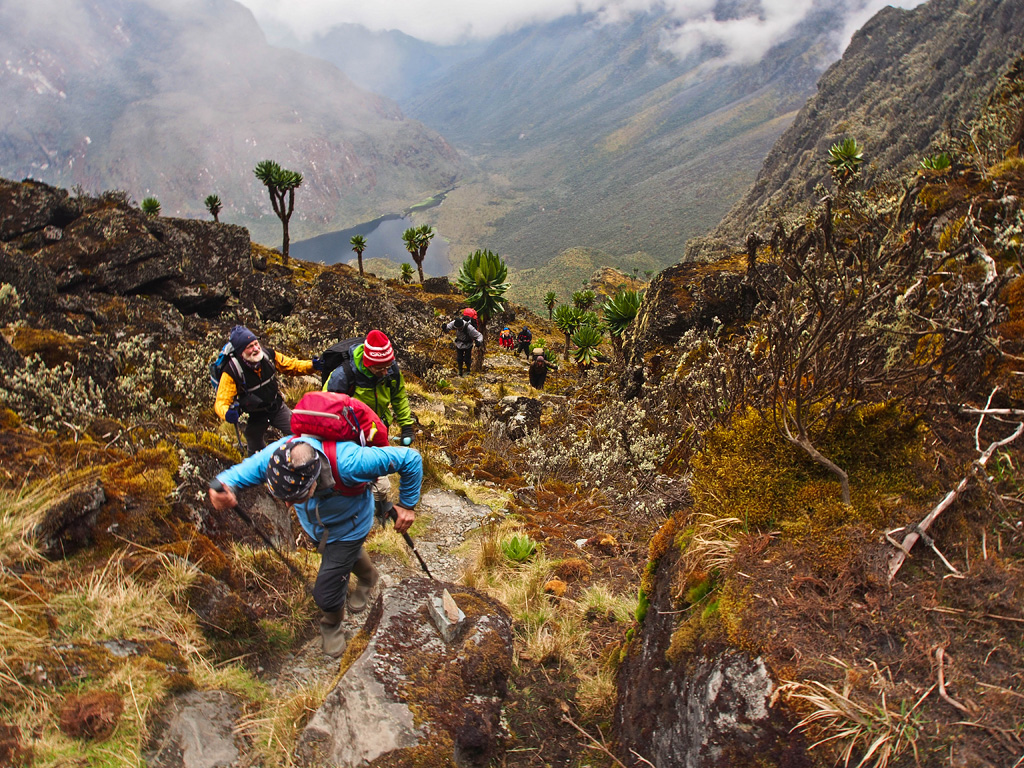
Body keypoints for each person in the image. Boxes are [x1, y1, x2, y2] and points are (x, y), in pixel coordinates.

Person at [208, 436, 421, 657]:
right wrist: (224, 486)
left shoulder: (351, 462)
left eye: (297, 497)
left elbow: (411, 459)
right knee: (341, 559)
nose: (288, 505)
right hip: (319, 528)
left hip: (351, 526)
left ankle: (331, 624)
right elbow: (236, 475)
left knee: (325, 592)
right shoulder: (279, 456)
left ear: (315, 479)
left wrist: (407, 505)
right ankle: (368, 577)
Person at [324, 330, 416, 505]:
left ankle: (374, 509)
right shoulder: (343, 376)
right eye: (380, 368)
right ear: (367, 364)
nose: (385, 372)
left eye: (388, 366)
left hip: (378, 430)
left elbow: (399, 396)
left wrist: (406, 426)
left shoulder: (391, 370)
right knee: (354, 478)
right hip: (350, 435)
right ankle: (358, 511)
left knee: (380, 484)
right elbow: (325, 408)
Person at [214, 325, 321, 454]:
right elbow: (221, 401)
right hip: (252, 417)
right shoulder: (232, 371)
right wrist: (227, 413)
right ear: (241, 352)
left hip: (276, 407)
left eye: (256, 344)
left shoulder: (268, 355)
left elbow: (291, 365)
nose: (256, 348)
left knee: (300, 433)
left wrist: (312, 365)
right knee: (256, 451)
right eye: (250, 347)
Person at [442, 310, 484, 376]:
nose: (458, 329)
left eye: (459, 328)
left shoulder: (469, 327)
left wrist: (479, 341)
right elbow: (448, 328)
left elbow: (479, 335)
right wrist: (445, 328)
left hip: (468, 344)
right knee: (459, 358)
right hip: (459, 343)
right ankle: (460, 370)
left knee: (467, 358)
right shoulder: (455, 322)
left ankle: (468, 370)